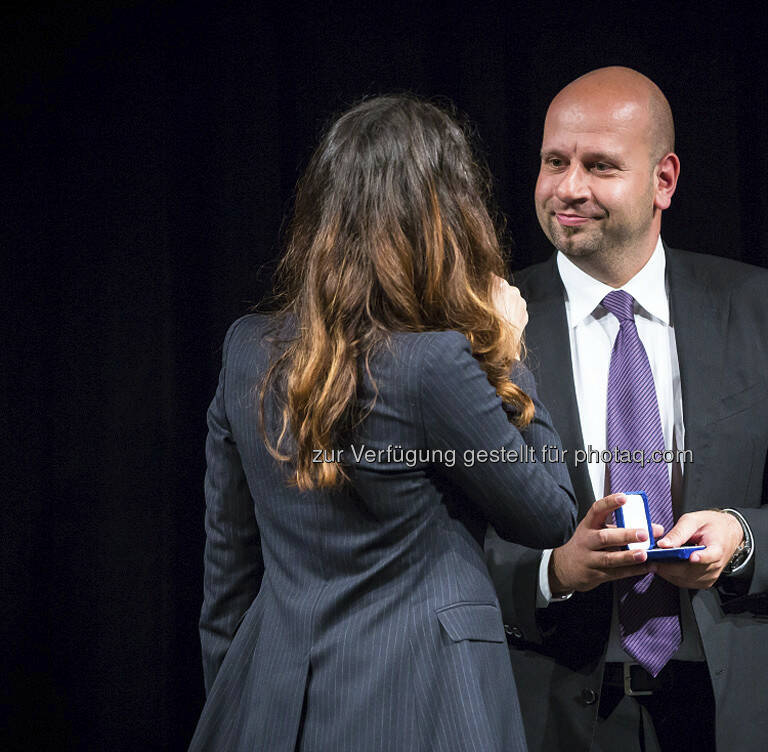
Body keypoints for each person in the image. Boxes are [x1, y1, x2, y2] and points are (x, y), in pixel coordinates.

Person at [190, 95, 584, 752]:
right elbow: (550, 514)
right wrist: (508, 354)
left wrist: (242, 710)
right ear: (446, 221)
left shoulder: (244, 350)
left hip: (278, 711)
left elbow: (228, 585)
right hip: (428, 710)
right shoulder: (435, 365)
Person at [485, 67, 768, 751]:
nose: (569, 188)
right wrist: (553, 571)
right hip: (545, 709)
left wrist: (739, 539)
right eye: (554, 162)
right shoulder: (483, 319)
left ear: (664, 180)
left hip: (726, 712)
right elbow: (443, 543)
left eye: (599, 166)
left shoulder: (760, 306)